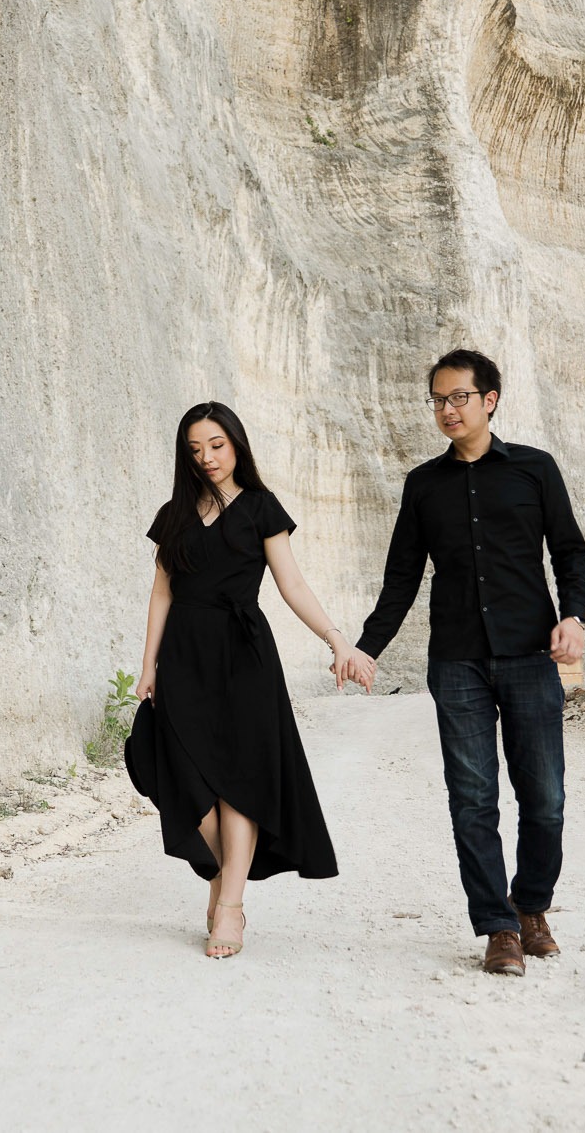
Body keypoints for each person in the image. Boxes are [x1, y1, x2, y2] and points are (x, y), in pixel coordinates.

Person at [349, 349, 585, 977]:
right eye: (438, 399)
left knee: (545, 799)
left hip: (530, 656)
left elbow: (569, 552)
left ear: (489, 400)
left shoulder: (535, 469)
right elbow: (402, 577)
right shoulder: (423, 485)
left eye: (458, 397)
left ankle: (531, 906)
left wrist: (574, 616)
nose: (447, 409)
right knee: (473, 799)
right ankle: (498, 926)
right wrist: (367, 647)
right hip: (457, 662)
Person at [126, 401, 373, 958]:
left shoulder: (262, 508)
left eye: (216, 445)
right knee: (185, 778)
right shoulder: (174, 514)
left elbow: (292, 585)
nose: (207, 458)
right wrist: (148, 666)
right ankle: (222, 875)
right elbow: (162, 592)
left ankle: (230, 904)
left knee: (240, 780)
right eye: (195, 449)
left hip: (244, 656)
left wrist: (337, 640)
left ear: (236, 444)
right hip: (184, 657)